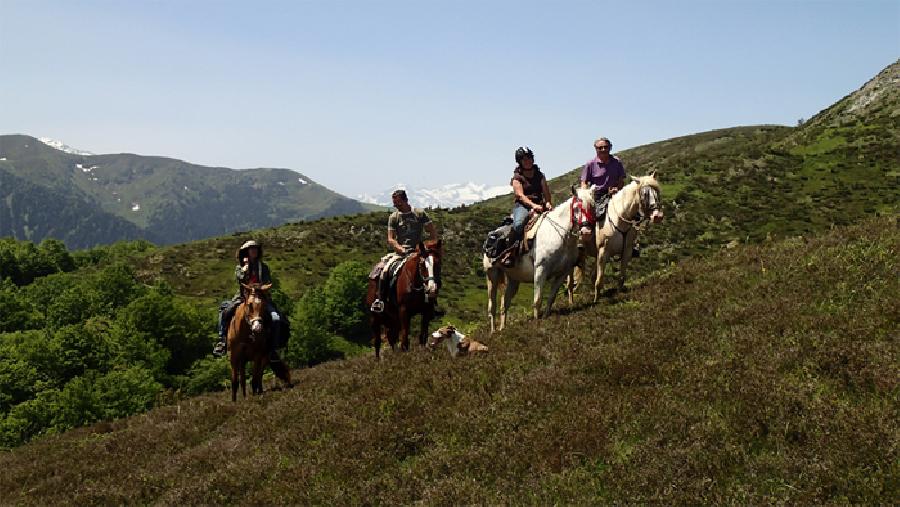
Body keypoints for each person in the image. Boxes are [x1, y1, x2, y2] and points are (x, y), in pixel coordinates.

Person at [370, 189, 439, 313]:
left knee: (431, 269)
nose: (396, 206)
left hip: (418, 251)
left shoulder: (419, 214)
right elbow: (391, 238)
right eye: (395, 203)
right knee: (384, 269)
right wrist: (400, 248)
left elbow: (432, 233)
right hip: (401, 252)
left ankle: (432, 300)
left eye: (398, 203)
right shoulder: (394, 217)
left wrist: (427, 246)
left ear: (405, 200)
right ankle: (380, 300)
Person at [212, 240, 284, 357]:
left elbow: (267, 282)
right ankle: (222, 341)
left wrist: (260, 288)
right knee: (225, 312)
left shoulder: (264, 267)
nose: (254, 251)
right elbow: (240, 279)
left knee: (276, 318)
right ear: (246, 252)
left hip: (261, 298)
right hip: (243, 297)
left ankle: (274, 349)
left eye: (255, 249)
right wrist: (245, 269)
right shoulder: (239, 268)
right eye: (251, 249)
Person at [579, 137, 639, 256]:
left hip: (615, 194)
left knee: (634, 214)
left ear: (610, 148)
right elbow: (584, 182)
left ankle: (633, 243)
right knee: (587, 214)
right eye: (600, 148)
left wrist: (617, 188)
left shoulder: (617, 162)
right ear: (596, 149)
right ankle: (581, 241)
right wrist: (586, 194)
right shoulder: (591, 164)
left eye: (605, 147)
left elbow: (621, 179)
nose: (603, 150)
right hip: (597, 194)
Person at [508, 146, 553, 265]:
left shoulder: (540, 175)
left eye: (529, 158)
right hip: (523, 206)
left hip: (539, 204)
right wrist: (533, 205)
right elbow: (520, 195)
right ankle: (511, 251)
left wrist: (548, 202)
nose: (528, 161)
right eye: (524, 159)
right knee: (518, 224)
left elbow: (546, 192)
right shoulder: (517, 178)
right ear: (520, 161)